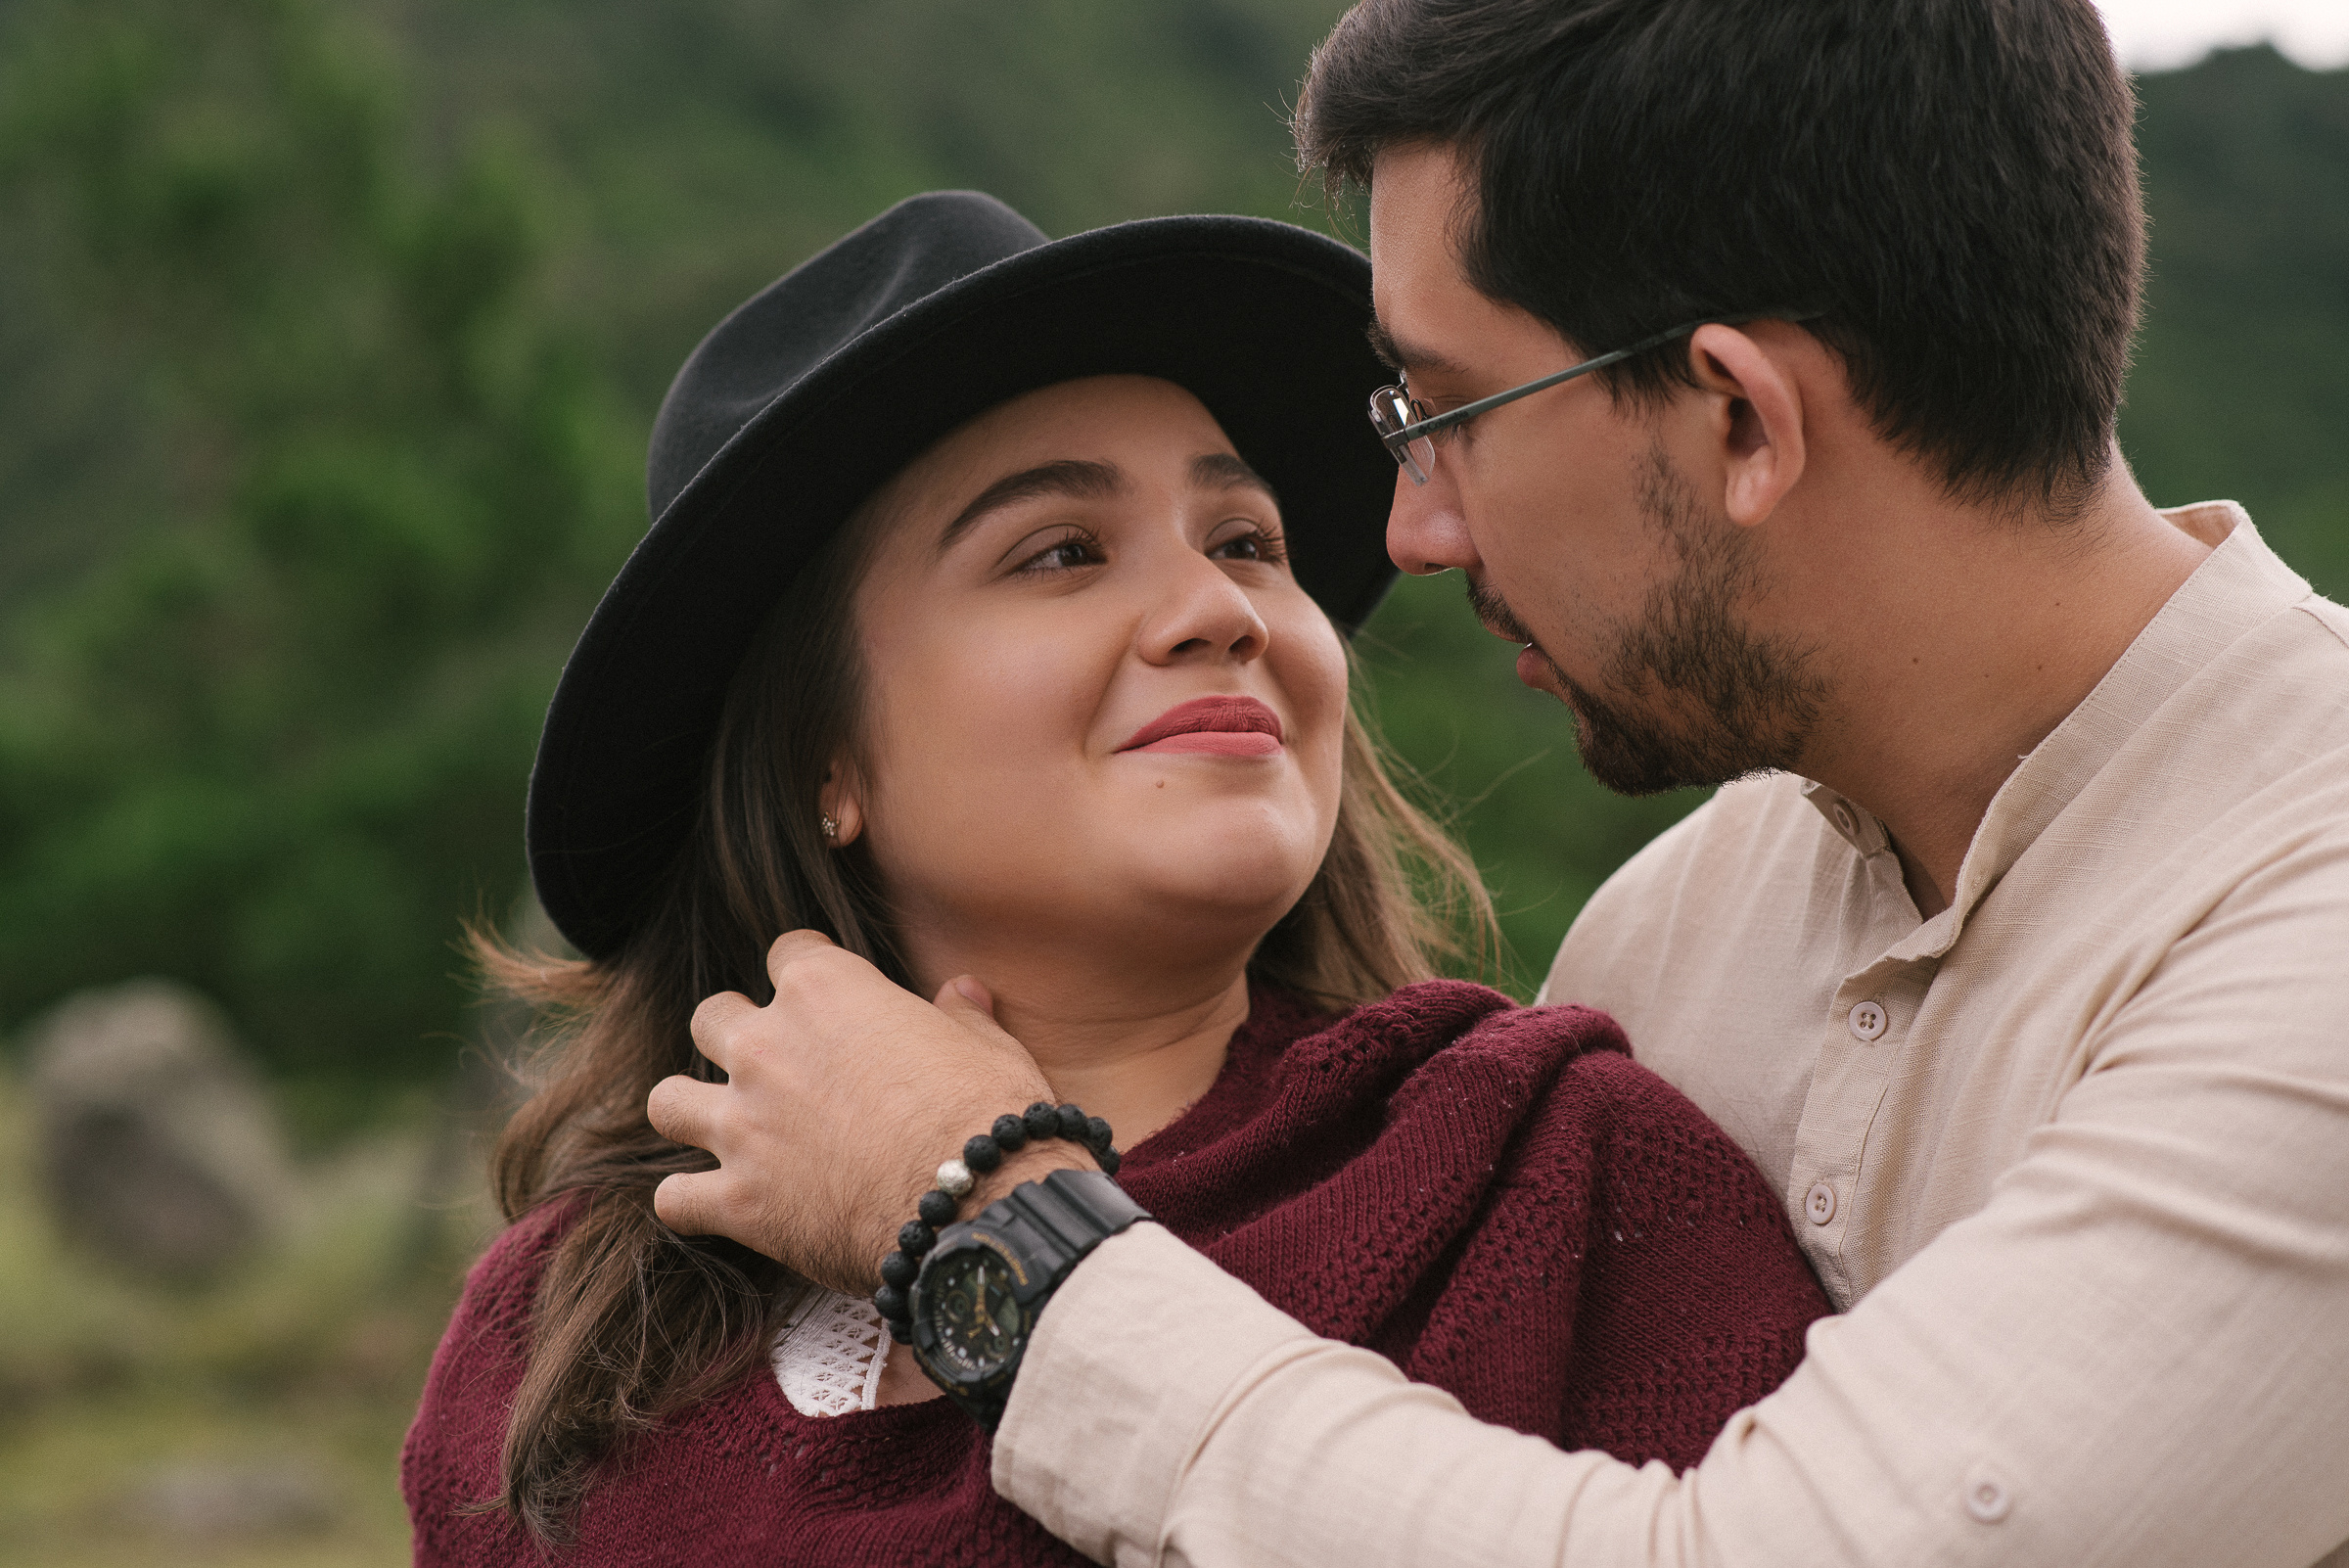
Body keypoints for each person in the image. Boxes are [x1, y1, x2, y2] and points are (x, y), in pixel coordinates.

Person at [645, 3, 2349, 1566]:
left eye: (1444, 411)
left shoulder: (2309, 908)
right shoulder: (1677, 936)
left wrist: (994, 1243)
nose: (1409, 533)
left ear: (1742, 422)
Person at [398, 190, 1832, 1564]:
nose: (1219, 609)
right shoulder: (560, 1341)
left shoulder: (1562, 1179)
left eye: (1248, 543)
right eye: (1063, 551)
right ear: (819, 757)